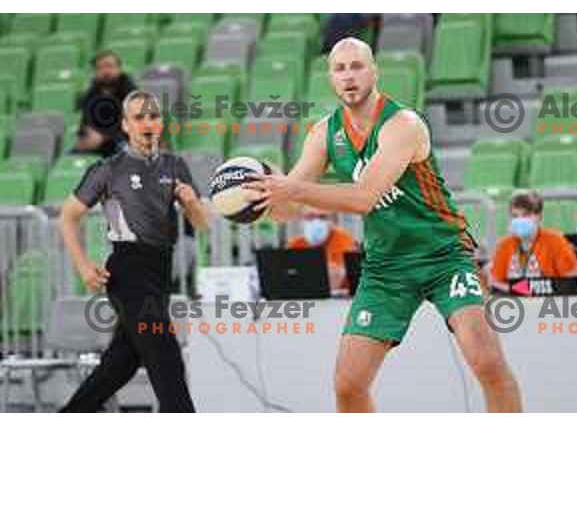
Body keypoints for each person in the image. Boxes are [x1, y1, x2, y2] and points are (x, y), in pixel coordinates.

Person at [246, 37, 522, 413]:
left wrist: (291, 188)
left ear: (374, 71)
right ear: (330, 78)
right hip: (386, 266)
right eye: (339, 68)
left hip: (444, 254)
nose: (349, 75)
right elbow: (292, 206)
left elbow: (364, 197)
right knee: (348, 385)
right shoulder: (324, 133)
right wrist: (258, 203)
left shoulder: (403, 124)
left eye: (357, 66)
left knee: (487, 362)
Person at [59, 90, 210, 412]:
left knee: (120, 365)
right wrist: (84, 265)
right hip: (127, 273)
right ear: (126, 125)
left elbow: (201, 223)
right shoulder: (108, 169)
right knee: (165, 357)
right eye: (139, 117)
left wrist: (193, 204)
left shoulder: (175, 164)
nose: (147, 123)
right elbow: (68, 217)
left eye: (153, 116)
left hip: (160, 273)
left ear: (161, 123)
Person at [490, 190, 577, 293]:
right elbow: (495, 283)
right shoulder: (504, 245)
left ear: (539, 216)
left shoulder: (556, 241)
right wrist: (520, 290)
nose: (520, 220)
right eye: (515, 216)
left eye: (526, 215)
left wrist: (522, 289)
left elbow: (574, 281)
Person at [74, 51, 137, 157]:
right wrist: (84, 139)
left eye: (110, 66)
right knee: (71, 158)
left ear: (119, 69)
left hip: (127, 142)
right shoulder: (91, 95)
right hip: (98, 146)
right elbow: (85, 126)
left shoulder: (132, 94)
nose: (106, 72)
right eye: (100, 68)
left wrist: (104, 137)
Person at [287, 206, 357, 291]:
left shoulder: (346, 241)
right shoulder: (295, 245)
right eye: (310, 217)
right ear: (301, 220)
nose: (316, 222)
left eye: (322, 217)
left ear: (333, 221)